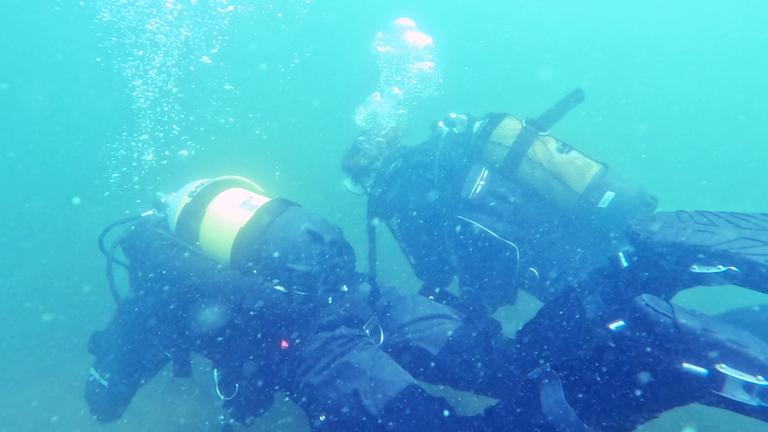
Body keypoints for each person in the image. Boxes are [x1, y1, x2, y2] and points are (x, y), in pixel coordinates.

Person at [342, 89, 768, 430]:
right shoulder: (446, 153)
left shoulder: (400, 193)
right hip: (604, 242)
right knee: (642, 299)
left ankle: (697, 344)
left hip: (574, 279)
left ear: (364, 175)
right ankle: (674, 254)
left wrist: (468, 310)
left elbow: (463, 249)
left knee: (570, 364)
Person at [86, 175, 556, 431]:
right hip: (360, 294)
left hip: (307, 344)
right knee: (504, 361)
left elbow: (105, 400)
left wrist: (103, 372)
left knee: (417, 421)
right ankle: (592, 374)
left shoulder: (155, 286)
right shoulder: (244, 237)